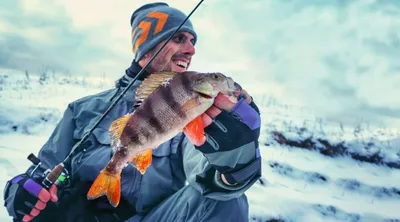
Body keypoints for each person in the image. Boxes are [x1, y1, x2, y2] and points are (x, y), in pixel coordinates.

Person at [3, 2, 262, 222]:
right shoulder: (81, 109)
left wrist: (235, 161)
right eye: (179, 38)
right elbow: (44, 169)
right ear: (148, 46)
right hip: (78, 215)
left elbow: (208, 177)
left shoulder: (197, 113)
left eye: (193, 41)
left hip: (153, 217)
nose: (191, 49)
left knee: (229, 203)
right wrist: (20, 191)